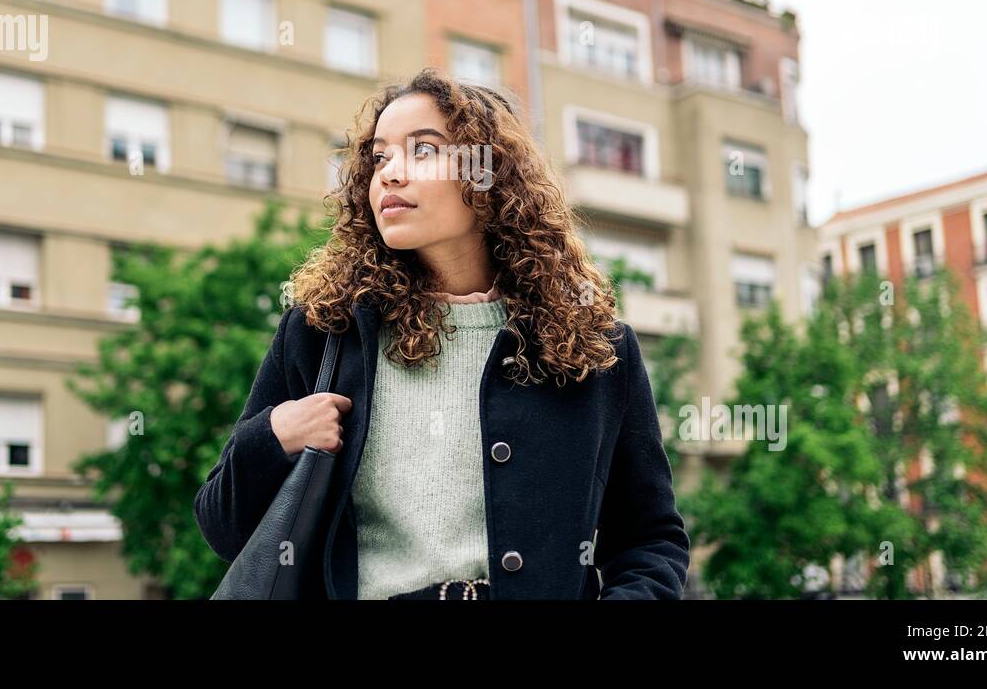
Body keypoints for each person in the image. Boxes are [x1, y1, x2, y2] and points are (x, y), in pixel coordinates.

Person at [195, 68, 690, 599]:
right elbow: (223, 528)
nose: (389, 174)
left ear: (487, 174)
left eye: (423, 150)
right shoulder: (323, 331)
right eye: (379, 157)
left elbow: (649, 540)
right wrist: (274, 435)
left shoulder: (594, 346)